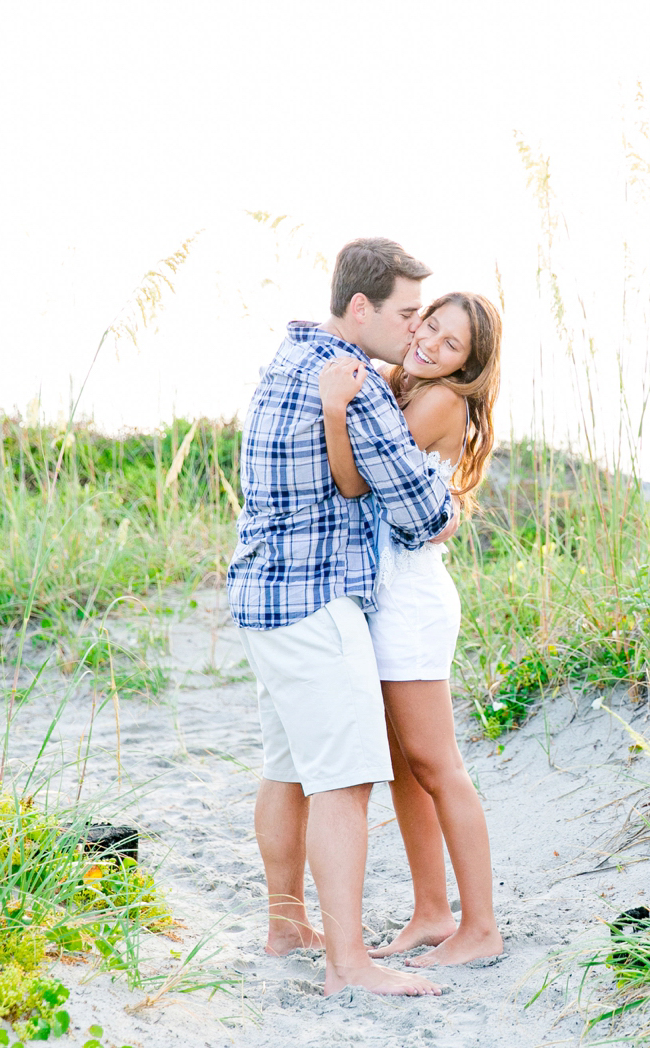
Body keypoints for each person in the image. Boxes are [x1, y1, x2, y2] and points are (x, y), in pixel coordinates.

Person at [227, 238, 457, 997]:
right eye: (404, 312)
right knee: (346, 782)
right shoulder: (350, 381)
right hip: (316, 605)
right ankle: (348, 964)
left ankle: (286, 922)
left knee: (288, 770)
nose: (414, 329)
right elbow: (424, 512)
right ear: (359, 308)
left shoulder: (288, 362)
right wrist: (447, 498)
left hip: (265, 602)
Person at [317, 291, 505, 968]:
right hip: (387, 595)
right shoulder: (409, 385)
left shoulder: (440, 401)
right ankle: (432, 911)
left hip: (412, 602)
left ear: (469, 364)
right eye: (429, 325)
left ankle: (480, 926)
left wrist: (337, 409)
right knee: (403, 766)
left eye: (451, 343)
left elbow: (361, 478)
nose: (429, 341)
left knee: (438, 764)